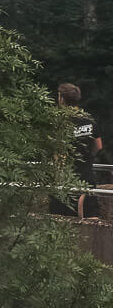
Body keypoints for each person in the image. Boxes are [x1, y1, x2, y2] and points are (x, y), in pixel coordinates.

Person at [58, 82, 104, 218]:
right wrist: (87, 158)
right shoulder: (89, 120)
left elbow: (58, 152)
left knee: (62, 220)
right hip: (86, 178)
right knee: (91, 218)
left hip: (65, 180)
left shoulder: (59, 122)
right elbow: (98, 146)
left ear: (61, 99)